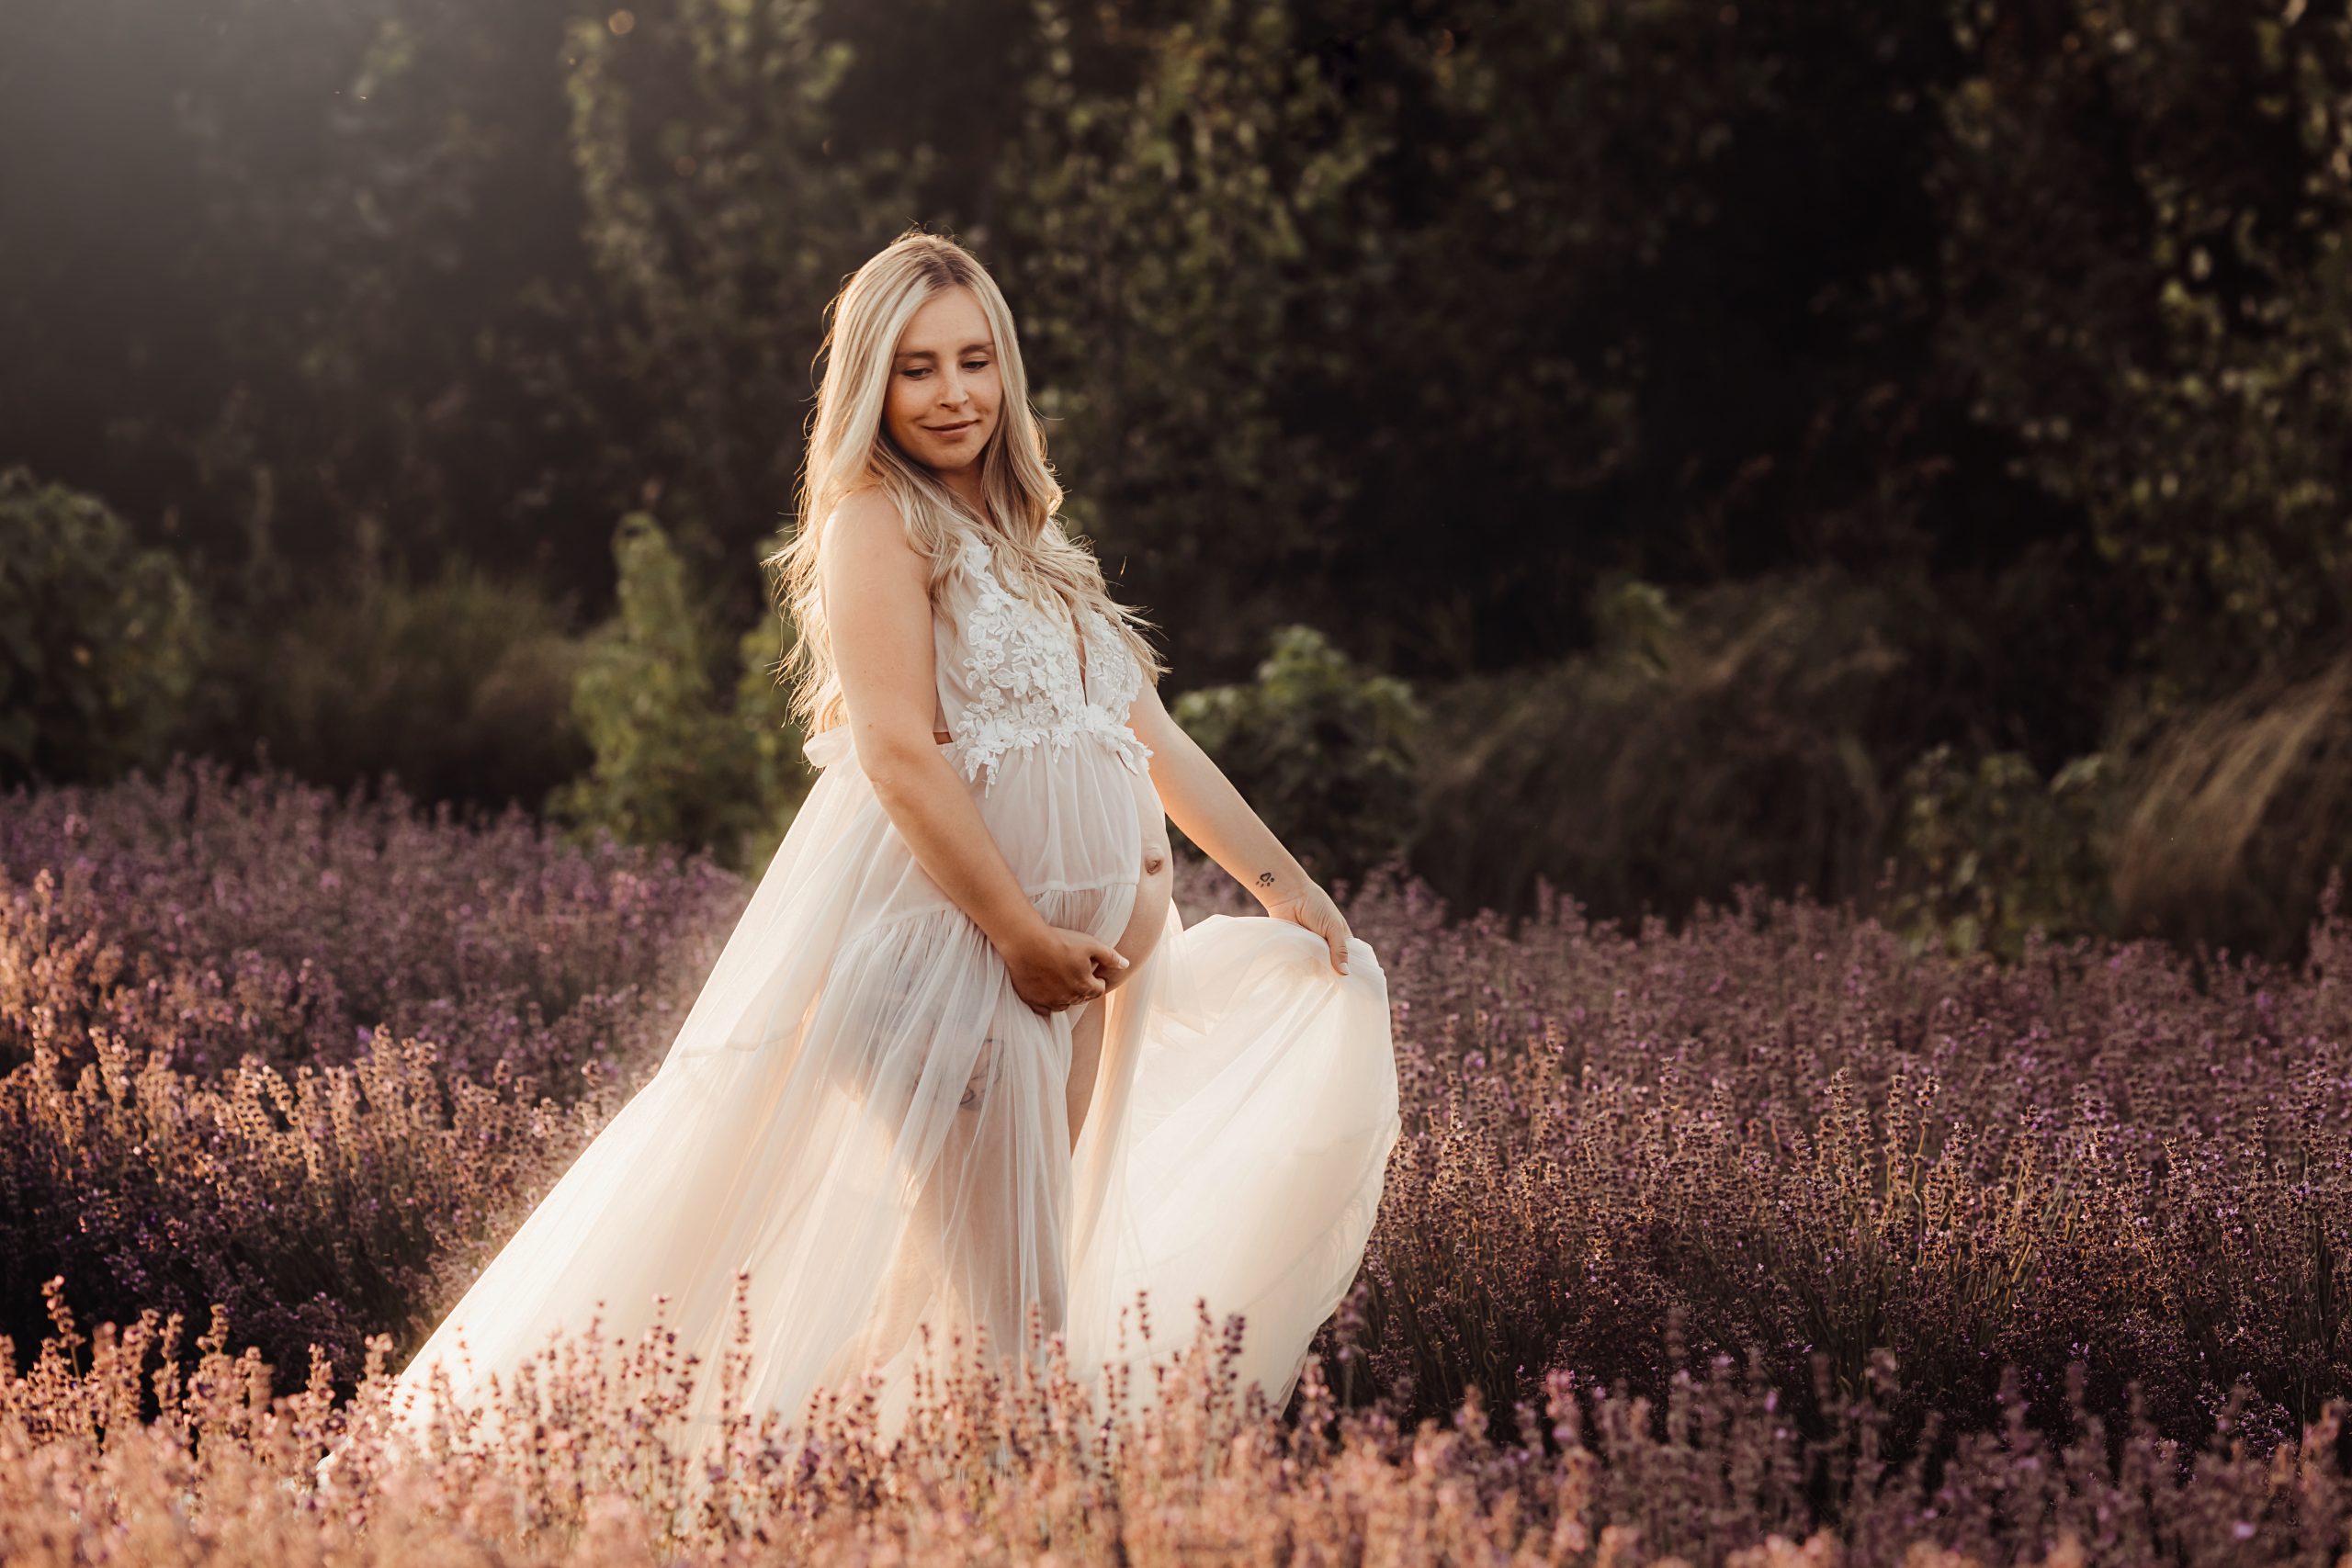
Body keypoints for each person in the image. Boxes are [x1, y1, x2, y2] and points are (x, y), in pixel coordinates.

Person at [350, 228, 1400, 1474]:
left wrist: (1290, 887)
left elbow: (1150, 734)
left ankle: (854, 1486)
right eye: (915, 369)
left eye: (973, 362)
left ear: (1007, 371)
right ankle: (1005, 1519)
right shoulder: (878, 525)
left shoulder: (1037, 539)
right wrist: (1020, 938)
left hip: (1074, 981)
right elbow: (898, 753)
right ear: (870, 385)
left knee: (980, 1290)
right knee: (1023, 1318)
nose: (952, 394)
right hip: (957, 965)